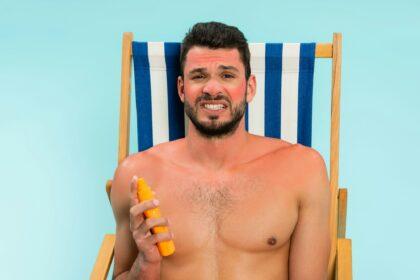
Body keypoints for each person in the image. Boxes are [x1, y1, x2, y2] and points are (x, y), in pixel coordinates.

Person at [110, 21, 331, 280]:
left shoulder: (302, 170)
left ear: (249, 88)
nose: (212, 89)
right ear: (182, 89)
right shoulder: (135, 175)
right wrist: (144, 265)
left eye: (227, 75)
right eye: (199, 76)